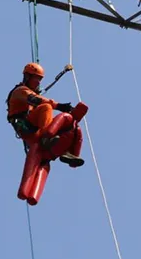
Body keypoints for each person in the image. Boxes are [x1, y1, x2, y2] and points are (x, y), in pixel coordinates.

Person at [6, 62, 89, 205]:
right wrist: (59, 106)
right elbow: (37, 100)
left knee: (72, 128)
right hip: (27, 127)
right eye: (36, 79)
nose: (38, 82)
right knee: (46, 107)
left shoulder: (29, 92)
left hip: (33, 129)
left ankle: (67, 154)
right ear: (27, 77)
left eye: (40, 79)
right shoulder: (20, 91)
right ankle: (46, 138)